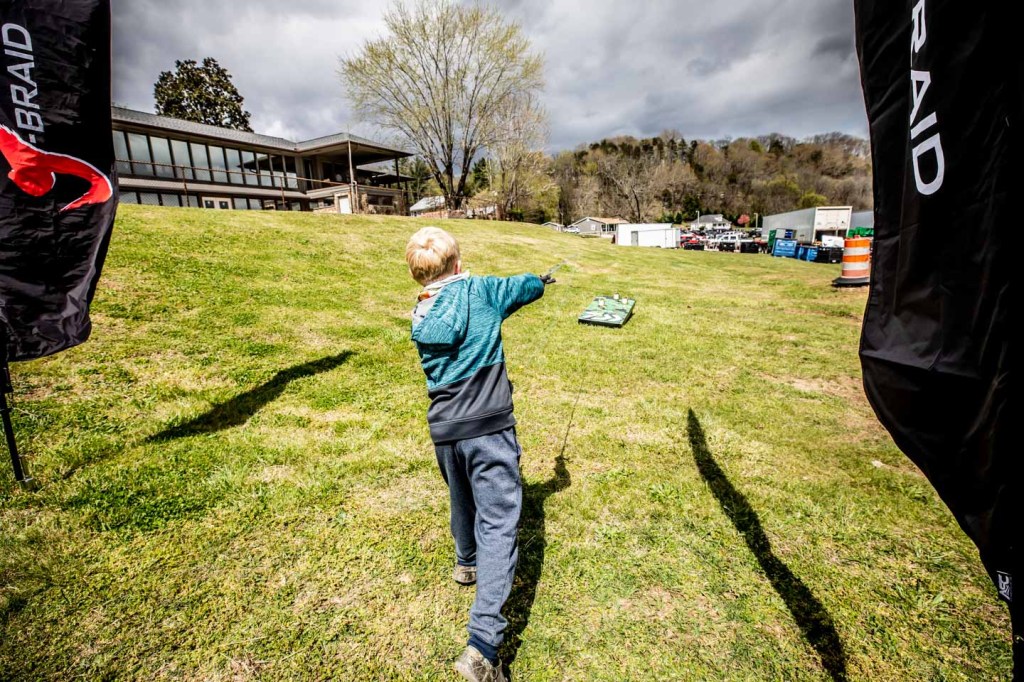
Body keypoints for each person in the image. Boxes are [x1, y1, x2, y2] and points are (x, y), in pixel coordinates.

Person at [405, 227, 553, 682]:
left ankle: (466, 562)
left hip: (445, 431)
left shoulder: (421, 311)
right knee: (498, 523)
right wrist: (539, 280)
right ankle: (484, 648)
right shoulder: (482, 291)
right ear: (457, 263)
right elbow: (520, 287)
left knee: (461, 496)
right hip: (489, 428)